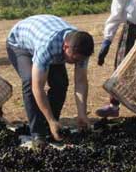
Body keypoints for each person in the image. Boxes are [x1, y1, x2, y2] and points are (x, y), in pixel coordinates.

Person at [6, 15, 94, 148]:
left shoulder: (81, 47)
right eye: (74, 60)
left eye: (79, 61)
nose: (76, 63)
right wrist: (51, 119)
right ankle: (37, 133)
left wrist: (82, 114)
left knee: (60, 83)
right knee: (30, 82)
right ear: (66, 47)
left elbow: (80, 82)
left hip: (46, 38)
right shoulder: (47, 46)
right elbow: (38, 87)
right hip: (19, 45)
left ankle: (51, 127)